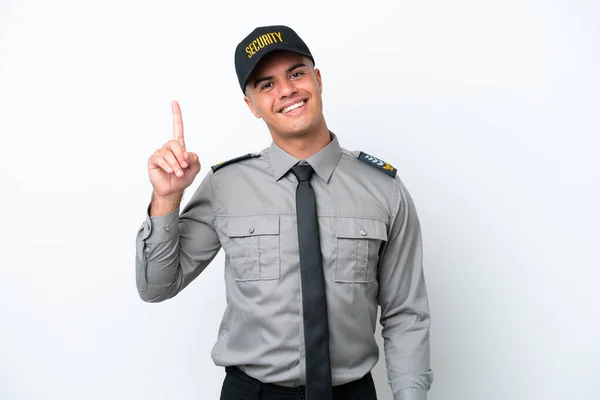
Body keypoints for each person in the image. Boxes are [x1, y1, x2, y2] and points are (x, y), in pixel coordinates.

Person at [135, 25, 433, 400]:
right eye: (266, 85)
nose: (287, 90)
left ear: (318, 79)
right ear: (252, 106)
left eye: (296, 73)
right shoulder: (226, 185)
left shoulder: (384, 189)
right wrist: (167, 198)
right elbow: (156, 286)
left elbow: (406, 314)